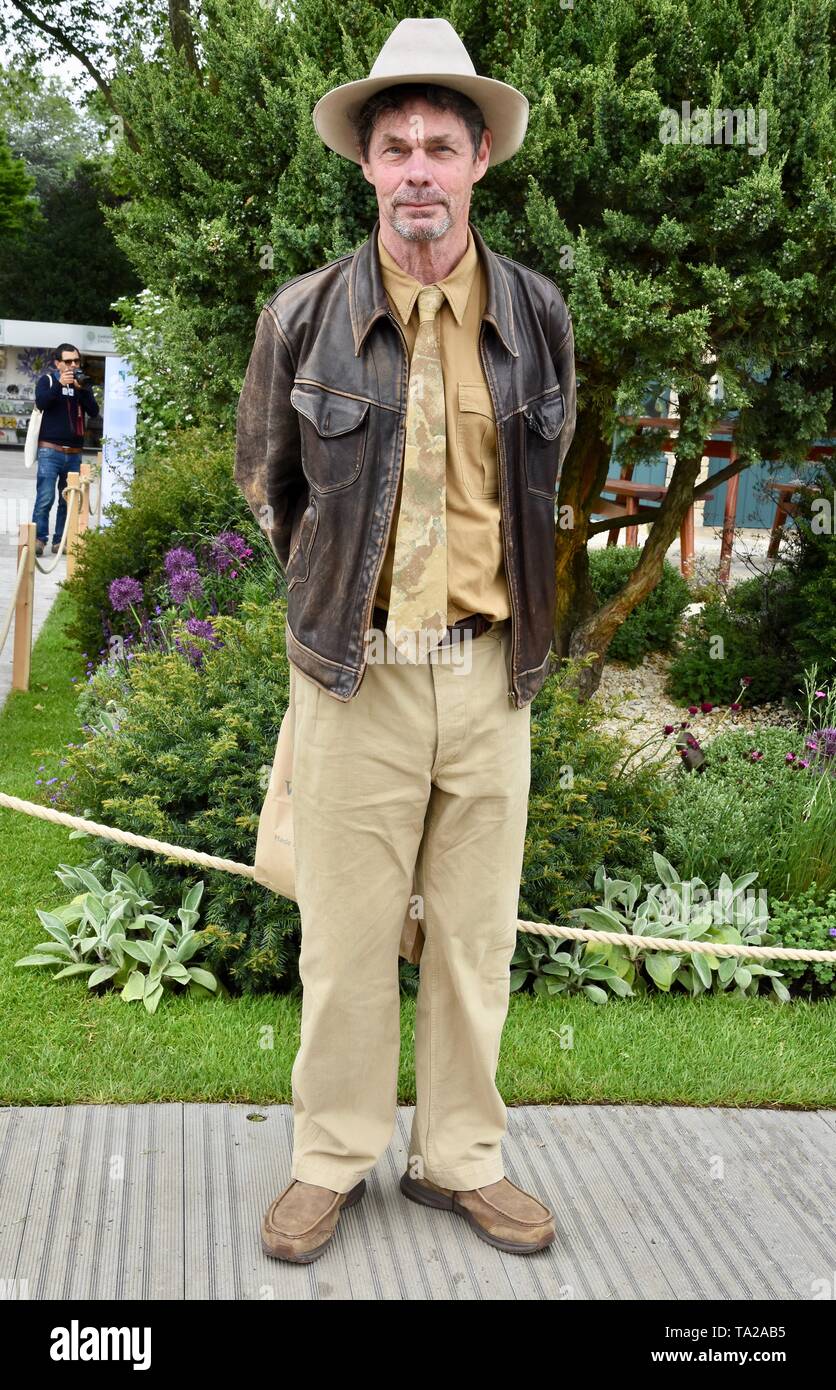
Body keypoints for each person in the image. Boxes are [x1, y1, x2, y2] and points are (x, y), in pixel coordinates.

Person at [235, 16, 577, 1263]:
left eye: (442, 143)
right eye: (397, 147)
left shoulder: (537, 315)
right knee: (342, 941)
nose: (419, 168)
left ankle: (458, 1161)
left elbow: (545, 486)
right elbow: (271, 486)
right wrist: (339, 608)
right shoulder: (302, 316)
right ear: (365, 166)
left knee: (475, 940)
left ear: (480, 158)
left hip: (489, 676)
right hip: (356, 674)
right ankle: (330, 1158)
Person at [32, 343, 99, 556]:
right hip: (50, 450)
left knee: (67, 499)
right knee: (45, 497)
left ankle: (60, 540)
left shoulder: (81, 385)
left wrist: (83, 391)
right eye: (68, 361)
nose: (73, 365)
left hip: (74, 453)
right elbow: (41, 402)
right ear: (57, 363)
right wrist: (60, 384)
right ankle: (39, 539)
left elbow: (94, 411)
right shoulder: (48, 380)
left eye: (76, 361)